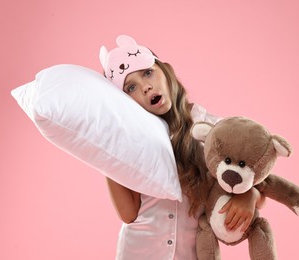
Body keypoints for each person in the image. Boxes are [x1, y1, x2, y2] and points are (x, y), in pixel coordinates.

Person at [99, 35, 265, 260]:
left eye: (148, 73)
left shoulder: (213, 129)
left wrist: (250, 196)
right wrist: (104, 149)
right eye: (131, 87)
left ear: (165, 71)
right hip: (138, 252)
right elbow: (129, 213)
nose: (146, 87)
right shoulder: (132, 137)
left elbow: (254, 176)